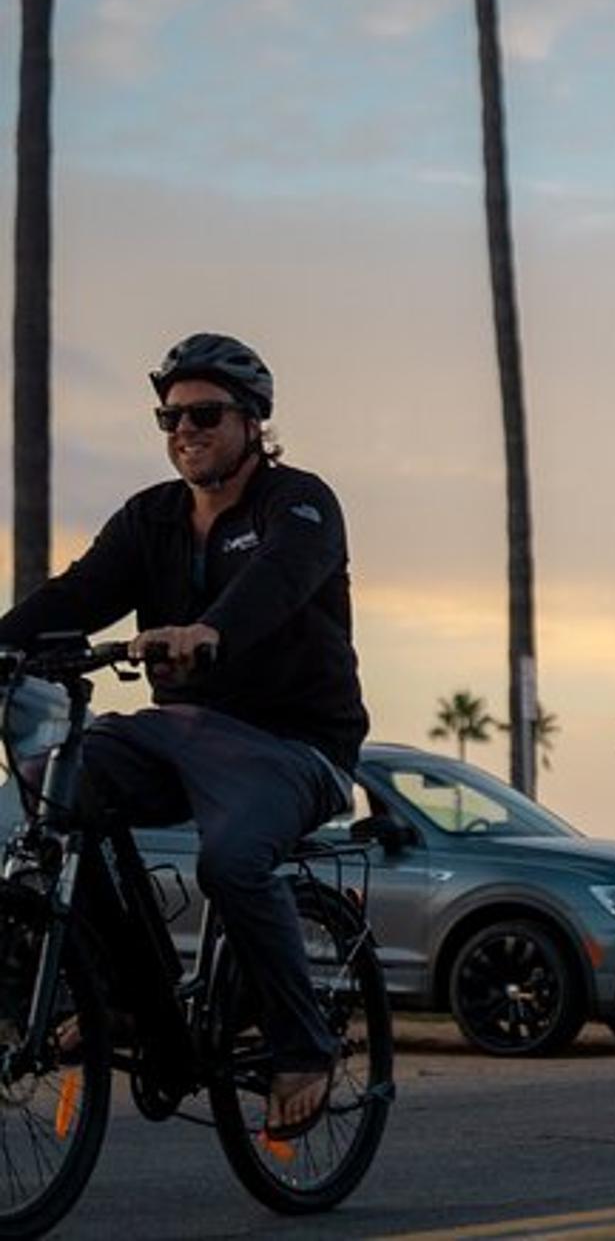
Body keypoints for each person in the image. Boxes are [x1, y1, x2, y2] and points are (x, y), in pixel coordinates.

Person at [0, 333, 365, 1140]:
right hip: (178, 732)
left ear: (253, 419)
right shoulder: (151, 518)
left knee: (231, 859)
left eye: (203, 413)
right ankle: (131, 999)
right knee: (45, 791)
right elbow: (76, 594)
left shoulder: (298, 502)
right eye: (168, 417)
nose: (182, 430)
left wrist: (209, 631)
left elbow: (280, 578)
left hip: (292, 744)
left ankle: (300, 1044)